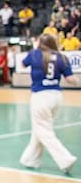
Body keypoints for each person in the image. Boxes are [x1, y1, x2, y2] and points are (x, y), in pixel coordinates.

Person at [19, 33, 76, 174]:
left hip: (40, 96)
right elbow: (70, 79)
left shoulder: (34, 54)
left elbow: (21, 64)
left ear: (40, 42)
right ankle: (30, 159)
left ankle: (65, 159)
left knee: (44, 131)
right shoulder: (62, 57)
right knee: (40, 128)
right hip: (56, 96)